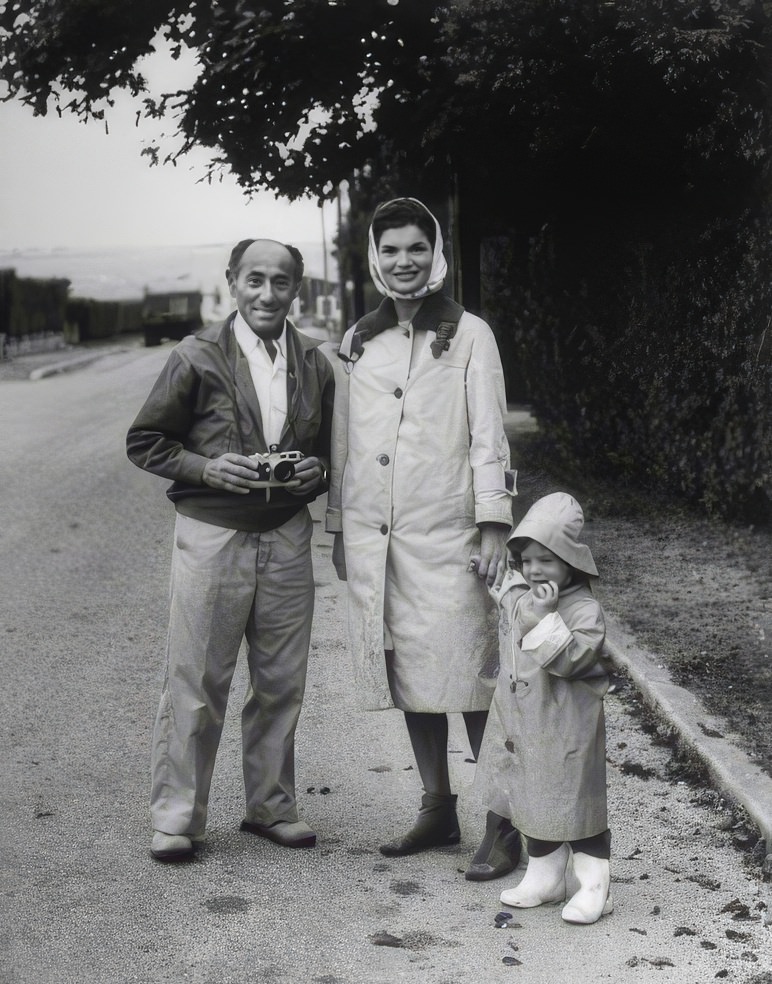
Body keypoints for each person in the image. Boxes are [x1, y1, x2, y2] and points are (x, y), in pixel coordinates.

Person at [326, 197, 521, 880]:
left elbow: (489, 433)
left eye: (415, 248)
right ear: (373, 259)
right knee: (409, 674)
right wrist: (341, 530)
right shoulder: (359, 341)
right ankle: (437, 807)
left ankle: (505, 822)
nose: (402, 262)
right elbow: (346, 443)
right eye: (389, 250)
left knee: (469, 678)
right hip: (383, 544)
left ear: (433, 254)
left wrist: (494, 523)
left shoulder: (471, 334)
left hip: (453, 537)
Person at [127, 238, 335, 862]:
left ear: (296, 289)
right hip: (211, 534)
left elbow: (326, 450)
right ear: (232, 283)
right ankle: (176, 816)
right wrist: (206, 469)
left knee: (281, 679)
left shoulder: (314, 362)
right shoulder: (195, 356)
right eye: (255, 281)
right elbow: (146, 441)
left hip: (286, 535)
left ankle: (271, 806)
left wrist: (315, 473)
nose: (267, 294)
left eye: (280, 283)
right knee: (197, 676)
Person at [476, 492, 613, 924]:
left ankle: (594, 885)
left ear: (570, 563)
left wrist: (544, 616)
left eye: (547, 561)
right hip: (528, 723)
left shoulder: (583, 610)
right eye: (527, 559)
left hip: (569, 726)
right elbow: (507, 595)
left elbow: (574, 660)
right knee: (532, 797)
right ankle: (545, 876)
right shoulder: (526, 596)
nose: (535, 570)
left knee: (576, 803)